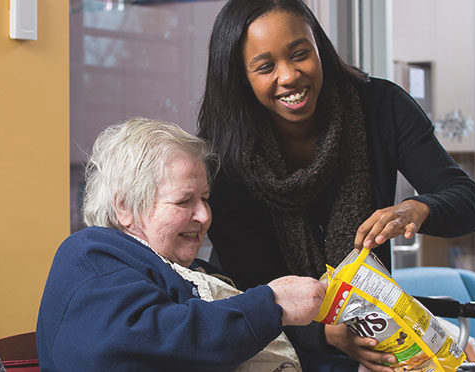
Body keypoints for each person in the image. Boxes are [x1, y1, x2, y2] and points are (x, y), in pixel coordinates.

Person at [196, 0, 475, 371]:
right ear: (241, 77)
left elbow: (467, 203)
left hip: (374, 331)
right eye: (265, 67)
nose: (289, 75)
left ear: (319, 46)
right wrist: (327, 333)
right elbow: (251, 283)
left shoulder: (380, 106)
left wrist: (418, 208)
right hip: (272, 342)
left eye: (300, 53)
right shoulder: (225, 153)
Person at [36, 117, 326, 371]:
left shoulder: (191, 268)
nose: (204, 215)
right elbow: (151, 343)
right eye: (184, 201)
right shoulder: (90, 255)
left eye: (205, 199)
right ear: (125, 207)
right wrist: (271, 305)